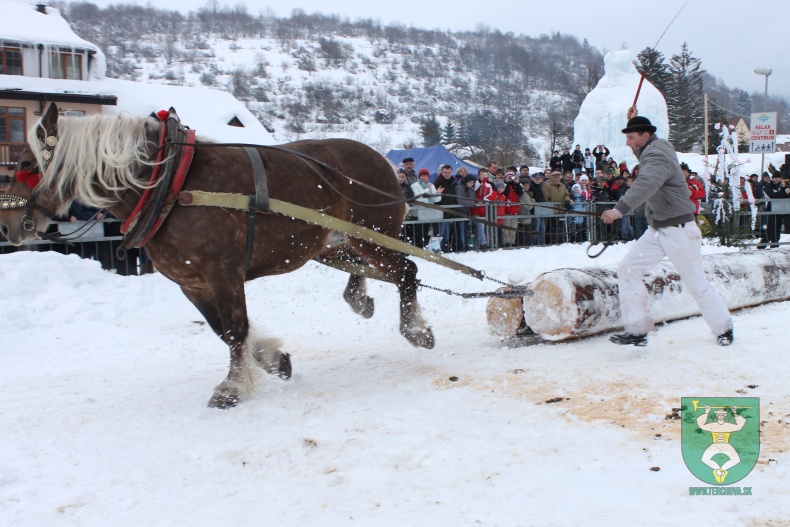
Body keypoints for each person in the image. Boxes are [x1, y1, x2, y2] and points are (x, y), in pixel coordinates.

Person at [602, 109, 733, 347]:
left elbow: (647, 182)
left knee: (696, 284)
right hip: (657, 230)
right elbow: (642, 153)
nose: (628, 144)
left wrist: (619, 210)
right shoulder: (651, 150)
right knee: (628, 269)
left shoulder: (658, 153)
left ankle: (724, 328)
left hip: (679, 230)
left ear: (645, 136)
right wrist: (631, 121)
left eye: (631, 138)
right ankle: (637, 330)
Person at [409, 168, 443, 248]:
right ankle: (418, 248)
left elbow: (436, 200)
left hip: (428, 213)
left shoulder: (432, 185)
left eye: (425, 176)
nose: (424, 177)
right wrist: (427, 192)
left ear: (428, 177)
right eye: (422, 176)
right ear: (419, 177)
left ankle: (425, 247)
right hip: (418, 214)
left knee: (427, 233)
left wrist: (438, 193)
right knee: (418, 233)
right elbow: (418, 198)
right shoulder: (414, 185)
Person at [542, 171, 572, 244]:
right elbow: (545, 197)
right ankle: (550, 243)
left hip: (561, 211)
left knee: (560, 229)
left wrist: (567, 200)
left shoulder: (562, 186)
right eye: (555, 178)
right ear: (552, 178)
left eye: (558, 178)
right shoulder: (547, 186)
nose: (556, 179)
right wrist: (550, 206)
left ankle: (560, 242)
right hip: (551, 212)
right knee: (551, 229)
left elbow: (566, 195)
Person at [433, 164, 457, 252]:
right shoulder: (438, 182)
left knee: (447, 235)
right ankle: (437, 250)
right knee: (440, 234)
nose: (447, 174)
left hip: (450, 211)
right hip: (441, 211)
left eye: (449, 172)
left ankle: (445, 250)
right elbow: (434, 196)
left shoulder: (453, 181)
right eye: (445, 172)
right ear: (442, 172)